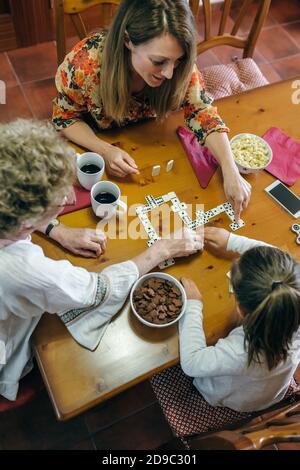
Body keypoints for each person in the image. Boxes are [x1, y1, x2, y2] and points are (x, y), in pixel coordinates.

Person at [0, 119, 202, 401]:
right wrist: (163, 249)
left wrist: (56, 229)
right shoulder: (25, 270)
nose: (69, 198)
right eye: (57, 200)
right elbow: (96, 290)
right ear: (27, 217)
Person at [52, 0, 251, 222]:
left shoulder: (176, 67)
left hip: (149, 143)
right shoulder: (84, 65)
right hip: (98, 140)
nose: (168, 73)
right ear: (128, 40)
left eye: (178, 61)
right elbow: (64, 118)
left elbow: (202, 112)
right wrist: (105, 150)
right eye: (159, 61)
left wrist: (229, 167)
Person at [179, 227, 300, 412]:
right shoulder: (293, 292)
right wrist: (232, 240)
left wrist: (193, 305)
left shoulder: (241, 353)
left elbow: (192, 363)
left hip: (232, 400)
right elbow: (278, 259)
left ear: (241, 310)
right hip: (272, 389)